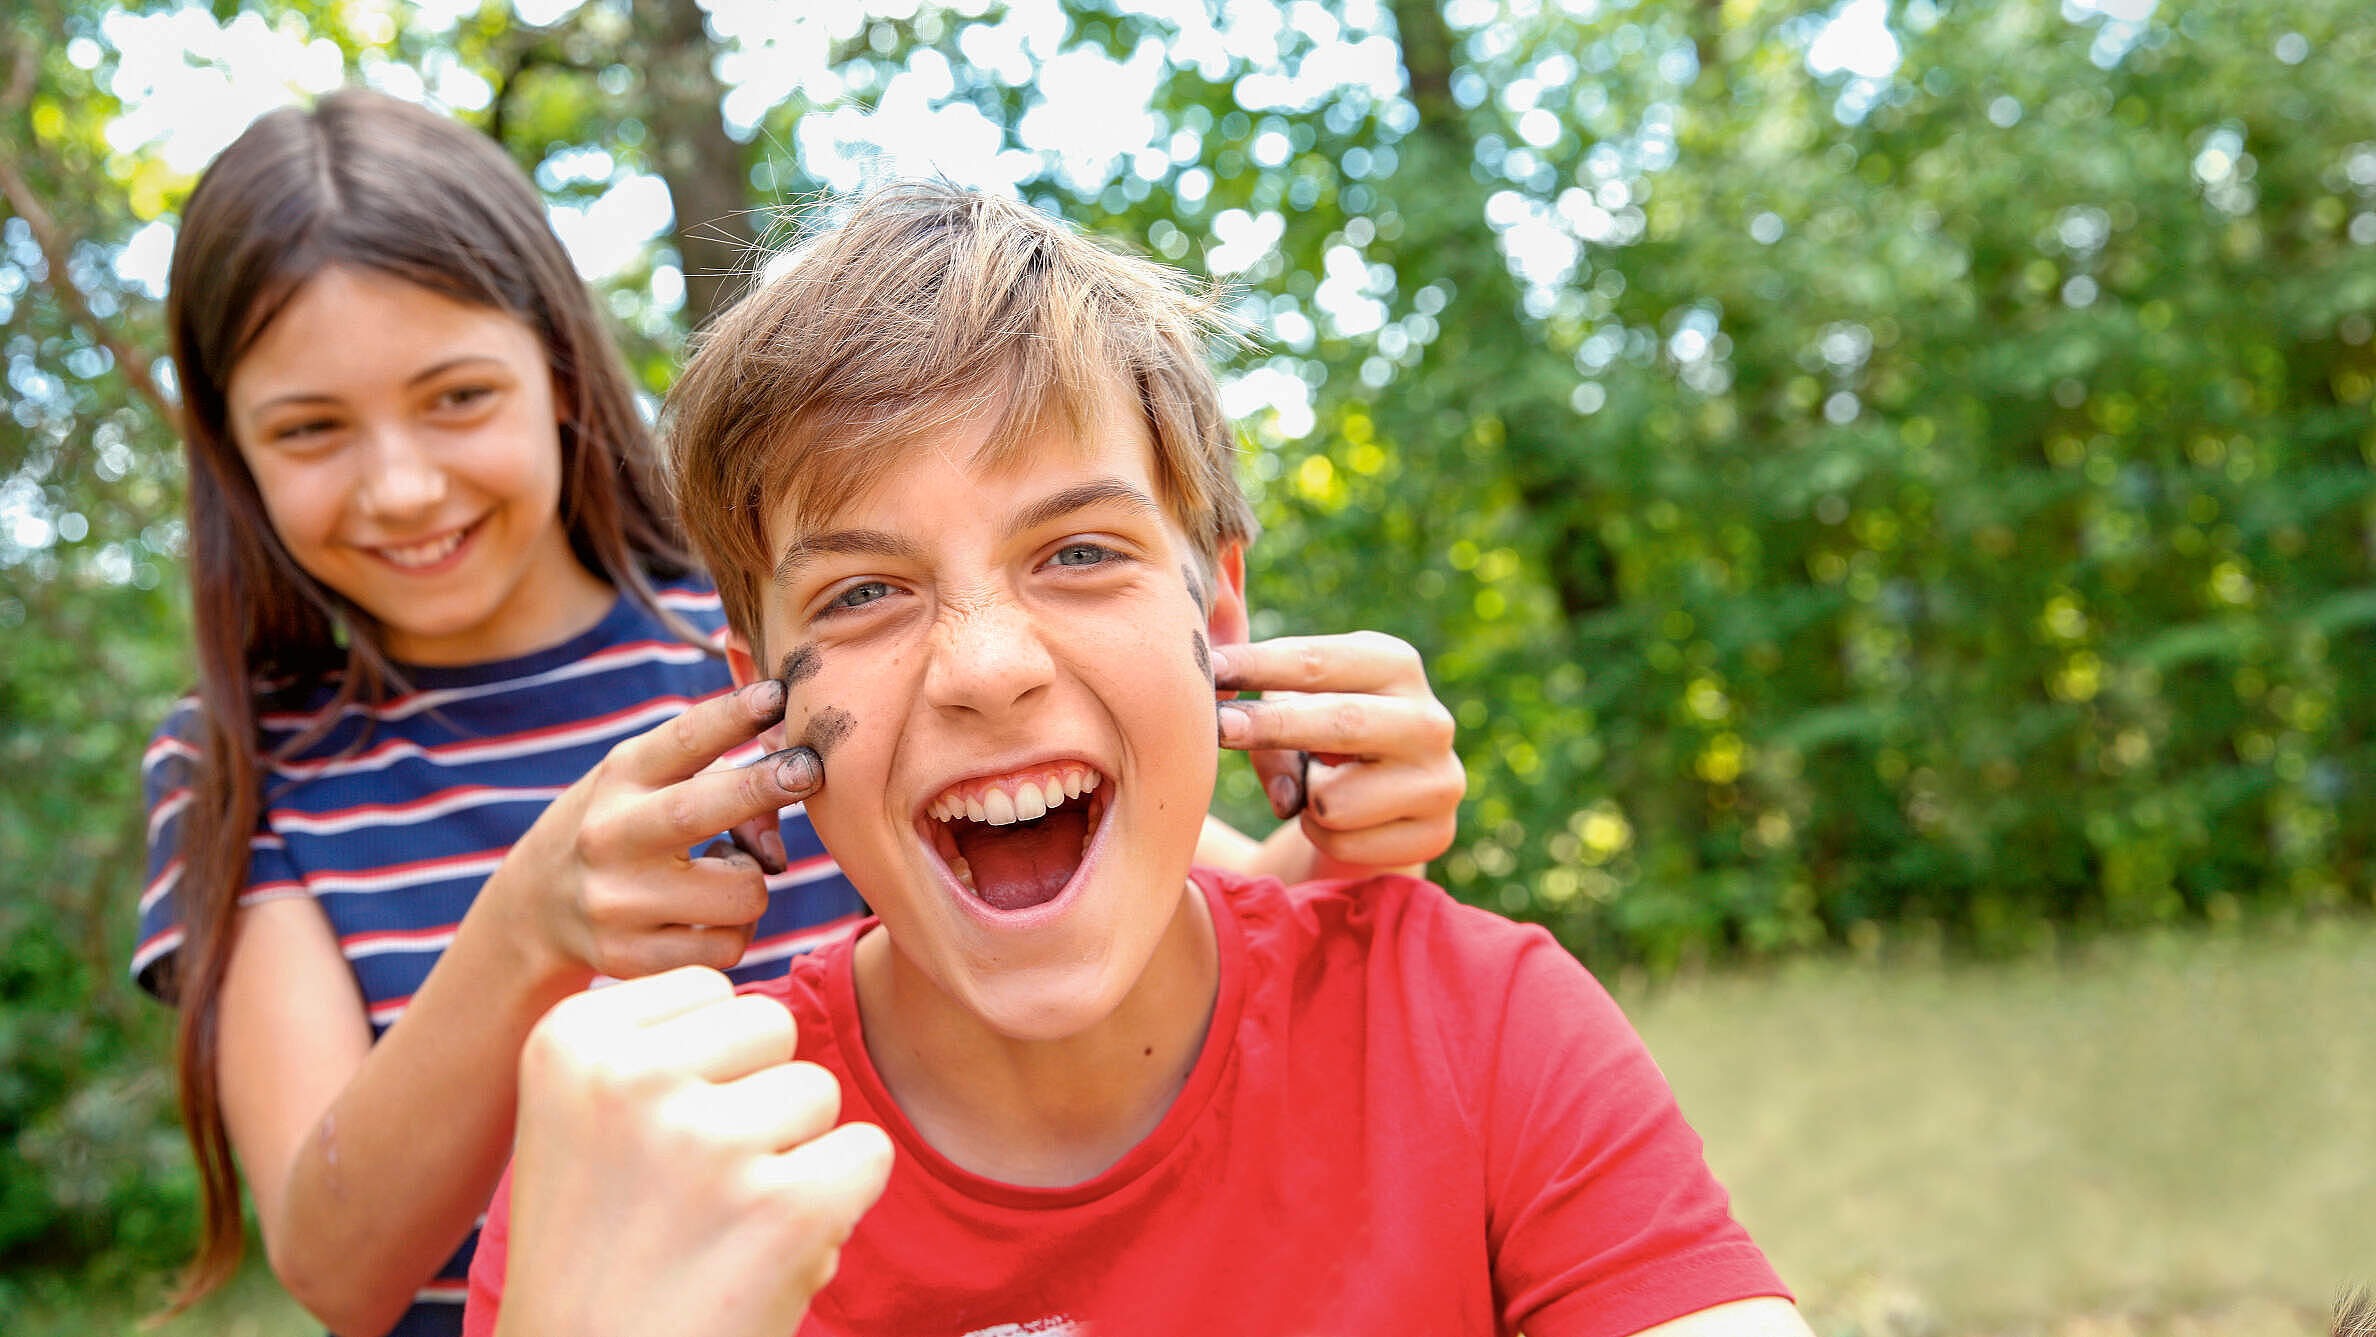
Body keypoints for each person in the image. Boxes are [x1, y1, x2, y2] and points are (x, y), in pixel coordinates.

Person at [138, 95, 1465, 1337]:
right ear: (232, 451)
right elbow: (332, 1264)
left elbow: (1179, 921)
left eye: (457, 396)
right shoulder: (241, 762)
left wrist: (1348, 826)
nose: (403, 483)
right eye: (310, 430)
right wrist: (531, 924)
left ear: (554, 368)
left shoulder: (816, 644)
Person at [461, 182, 1808, 1337]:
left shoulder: (1474, 1018)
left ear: (1216, 616)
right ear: (759, 702)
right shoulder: (637, 1153)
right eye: (863, 592)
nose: (989, 667)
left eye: (1080, 553)